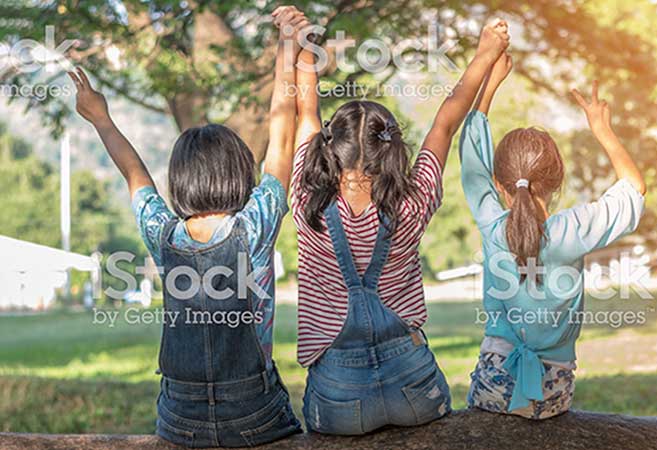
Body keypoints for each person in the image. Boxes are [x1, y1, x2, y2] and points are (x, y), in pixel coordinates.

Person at [66, 6, 309, 447]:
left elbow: (133, 173)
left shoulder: (163, 234)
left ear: (179, 180)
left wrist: (100, 118)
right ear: (240, 175)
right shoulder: (255, 226)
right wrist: (287, 45)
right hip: (254, 414)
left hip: (181, 419)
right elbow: (282, 128)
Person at [288, 8, 511, 434]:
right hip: (415, 388)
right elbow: (446, 122)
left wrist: (303, 53)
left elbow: (305, 112)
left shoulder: (305, 201)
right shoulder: (413, 200)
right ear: (391, 149)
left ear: (330, 148)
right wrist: (485, 54)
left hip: (339, 400)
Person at [460, 54, 647, 419]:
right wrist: (602, 130)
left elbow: (471, 164)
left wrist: (489, 87)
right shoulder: (573, 230)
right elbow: (634, 189)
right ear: (557, 182)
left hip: (494, 385)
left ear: (500, 185)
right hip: (554, 392)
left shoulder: (492, 225)